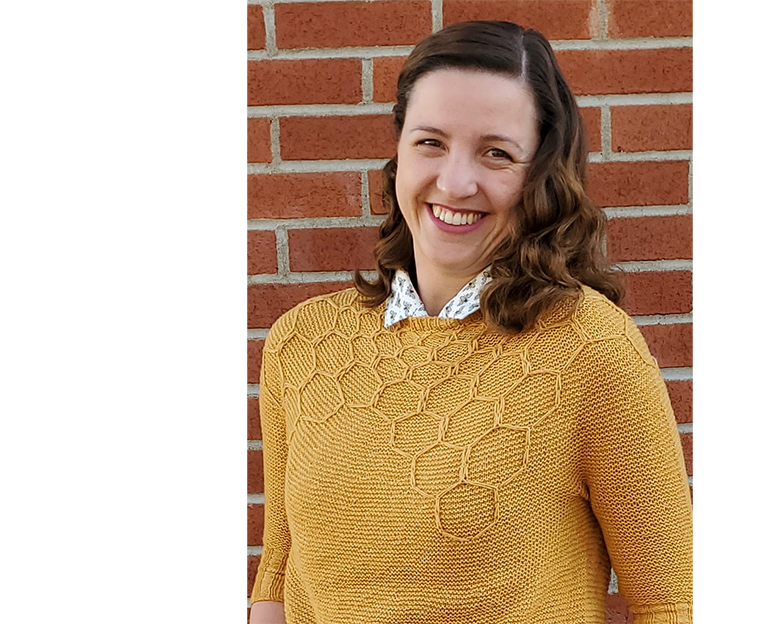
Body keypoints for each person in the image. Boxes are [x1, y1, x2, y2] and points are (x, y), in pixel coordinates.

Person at [250, 20, 692, 624]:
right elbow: (279, 573)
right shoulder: (301, 343)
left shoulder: (593, 350)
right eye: (430, 142)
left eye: (496, 153)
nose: (455, 182)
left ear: (541, 174)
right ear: (399, 151)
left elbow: (671, 600)